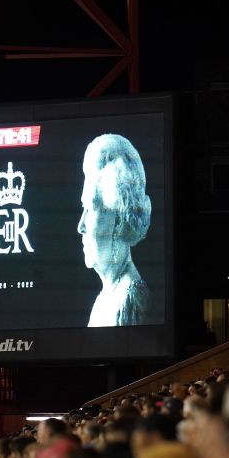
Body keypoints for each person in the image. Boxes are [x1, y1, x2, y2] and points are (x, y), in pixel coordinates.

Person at [77, 134, 152, 327]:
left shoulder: (128, 299)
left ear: (119, 219)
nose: (81, 226)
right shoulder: (107, 297)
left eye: (91, 209)